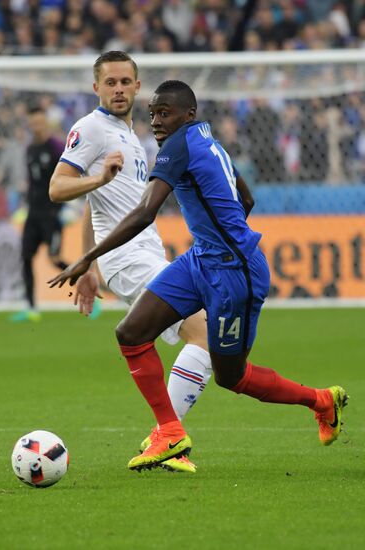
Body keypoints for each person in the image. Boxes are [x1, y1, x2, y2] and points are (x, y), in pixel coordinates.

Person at [49, 80, 348, 472]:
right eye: (153, 112)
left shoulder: (178, 146)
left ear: (187, 114)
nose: (156, 121)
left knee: (231, 375)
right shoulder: (207, 137)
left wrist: (85, 258)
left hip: (232, 273)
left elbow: (144, 214)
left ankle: (321, 401)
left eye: (165, 113)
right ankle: (171, 432)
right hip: (201, 259)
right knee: (131, 332)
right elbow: (247, 198)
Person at [49, 51, 212, 474]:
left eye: (126, 82)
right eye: (110, 82)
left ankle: (167, 436)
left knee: (203, 336)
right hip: (130, 259)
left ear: (137, 87)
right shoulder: (90, 129)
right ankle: (167, 436)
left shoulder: (131, 135)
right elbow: (58, 187)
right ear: (96, 88)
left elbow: (95, 206)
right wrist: (98, 179)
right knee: (205, 335)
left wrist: (88, 267)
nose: (118, 89)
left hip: (137, 255)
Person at [11, 106, 69, 322]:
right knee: (26, 257)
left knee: (55, 259)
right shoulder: (30, 149)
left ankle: (89, 286)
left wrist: (67, 207)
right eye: (32, 123)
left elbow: (68, 177)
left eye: (39, 122)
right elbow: (32, 182)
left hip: (52, 213)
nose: (36, 126)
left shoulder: (56, 147)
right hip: (33, 213)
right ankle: (31, 307)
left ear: (46, 122)